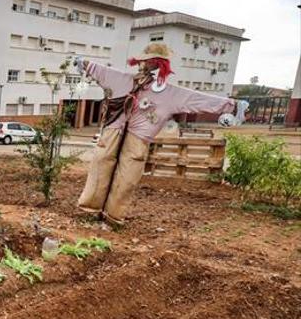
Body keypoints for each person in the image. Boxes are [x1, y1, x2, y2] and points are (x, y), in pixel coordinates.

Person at [75, 43, 248, 224]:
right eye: (145, 62)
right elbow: (100, 70)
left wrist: (232, 105)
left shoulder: (169, 93)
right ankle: (89, 211)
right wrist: (85, 63)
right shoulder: (124, 80)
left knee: (126, 177)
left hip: (138, 137)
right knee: (101, 165)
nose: (146, 66)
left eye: (151, 62)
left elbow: (197, 98)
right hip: (114, 130)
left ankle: (112, 217)